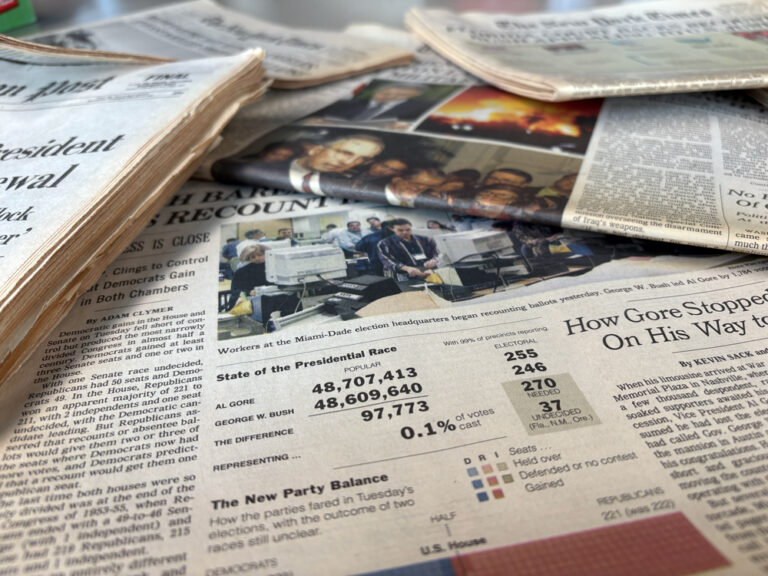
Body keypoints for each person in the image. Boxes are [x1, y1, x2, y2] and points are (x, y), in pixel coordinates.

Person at [318, 82, 431, 123]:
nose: (391, 97)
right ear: (376, 90)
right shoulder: (345, 103)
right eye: (386, 93)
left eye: (402, 96)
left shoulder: (418, 109)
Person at [227, 244, 271, 310]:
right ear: (248, 257)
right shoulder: (241, 272)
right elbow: (235, 291)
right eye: (253, 257)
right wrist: (248, 292)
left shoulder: (273, 270)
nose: (257, 258)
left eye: (260, 255)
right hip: (249, 304)